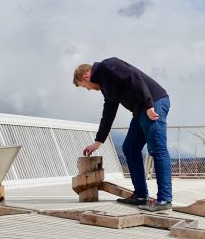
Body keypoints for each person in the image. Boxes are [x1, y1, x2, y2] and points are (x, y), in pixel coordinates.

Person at [73, 58, 172, 212]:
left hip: (154, 102)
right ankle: (140, 195)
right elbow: (109, 112)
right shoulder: (106, 86)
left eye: (84, 86)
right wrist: (98, 141)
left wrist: (149, 105)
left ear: (86, 77)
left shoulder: (107, 66)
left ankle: (165, 200)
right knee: (130, 148)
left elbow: (134, 77)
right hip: (141, 110)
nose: (88, 89)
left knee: (157, 149)